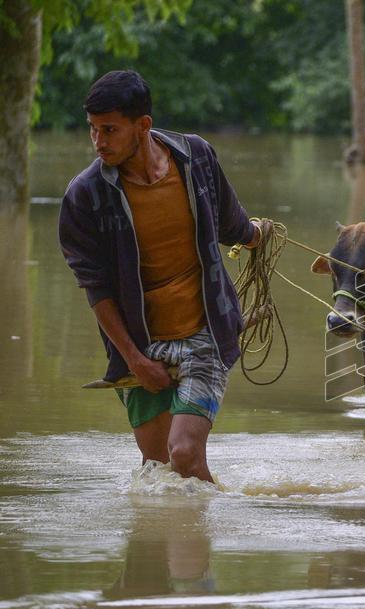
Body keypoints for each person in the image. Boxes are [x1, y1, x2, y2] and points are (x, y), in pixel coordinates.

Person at [58, 71, 270, 482]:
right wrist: (136, 361)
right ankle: (170, 539)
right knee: (158, 469)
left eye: (109, 130)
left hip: (204, 331)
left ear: (143, 126)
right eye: (92, 130)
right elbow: (97, 290)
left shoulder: (196, 158)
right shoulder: (84, 197)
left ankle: (206, 532)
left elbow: (232, 223)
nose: (99, 142)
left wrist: (257, 235)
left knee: (185, 454)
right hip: (140, 343)